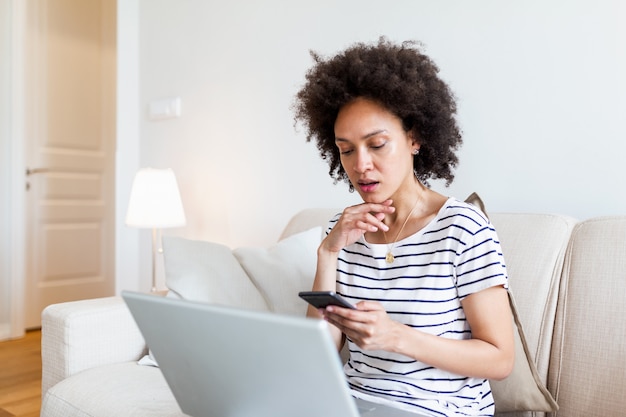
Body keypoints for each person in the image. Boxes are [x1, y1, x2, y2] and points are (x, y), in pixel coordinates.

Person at [293, 38, 514, 417]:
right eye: (346, 150)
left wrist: (395, 336)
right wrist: (327, 254)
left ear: (415, 138)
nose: (360, 165)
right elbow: (318, 353)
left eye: (377, 144)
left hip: (438, 409)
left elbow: (499, 358)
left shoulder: (463, 229)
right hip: (351, 403)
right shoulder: (342, 230)